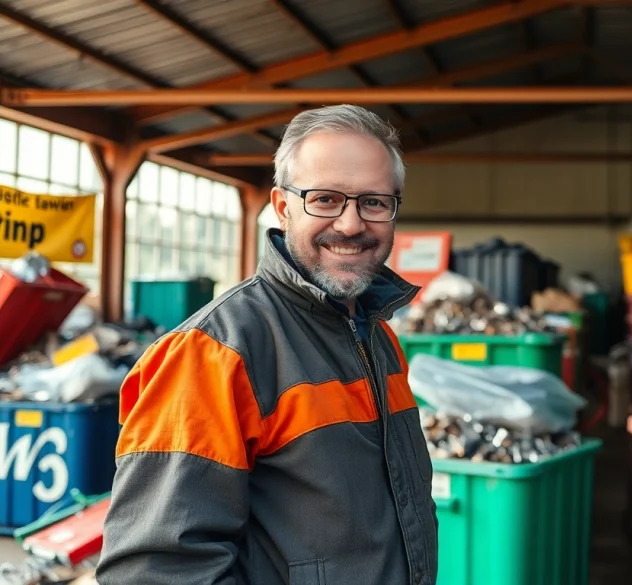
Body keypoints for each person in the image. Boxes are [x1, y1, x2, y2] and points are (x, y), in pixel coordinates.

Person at [96, 105, 439, 585]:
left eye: (374, 202)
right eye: (325, 199)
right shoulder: (212, 353)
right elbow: (157, 571)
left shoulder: (378, 336)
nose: (350, 224)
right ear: (282, 206)